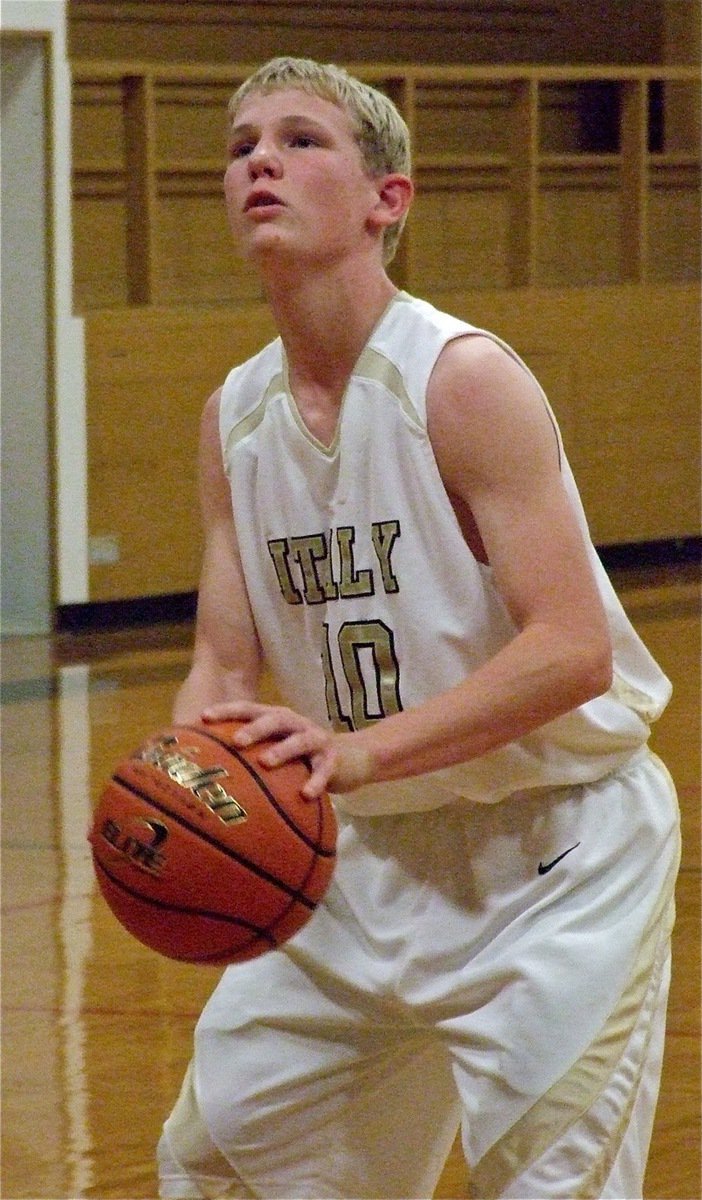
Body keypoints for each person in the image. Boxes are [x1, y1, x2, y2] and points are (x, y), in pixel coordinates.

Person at [157, 56, 680, 1200]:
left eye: (301, 140)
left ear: (387, 200)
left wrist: (356, 755)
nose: (259, 159)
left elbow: (571, 649)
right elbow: (225, 660)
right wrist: (191, 789)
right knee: (219, 1169)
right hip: (354, 863)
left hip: (551, 859)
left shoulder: (461, 380)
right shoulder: (233, 416)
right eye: (242, 143)